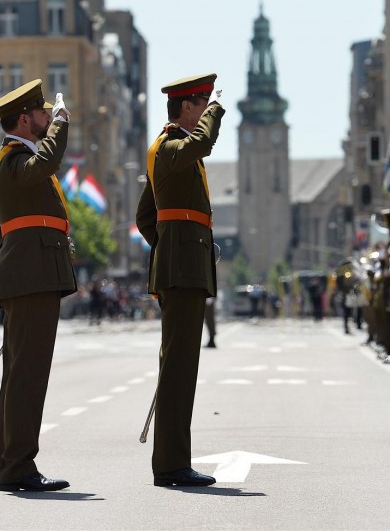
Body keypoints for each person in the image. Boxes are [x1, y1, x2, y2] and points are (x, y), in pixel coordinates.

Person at [0, 79, 75, 493]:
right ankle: (19, 467)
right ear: (25, 118)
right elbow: (45, 166)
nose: (46, 117)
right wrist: (61, 126)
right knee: (27, 376)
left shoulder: (14, 162)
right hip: (31, 276)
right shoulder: (15, 159)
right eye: (41, 112)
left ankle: (15, 464)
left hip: (31, 273)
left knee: (24, 375)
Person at [136, 73, 224, 488]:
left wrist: (175, 244)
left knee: (181, 367)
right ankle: (171, 465)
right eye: (203, 103)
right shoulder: (171, 147)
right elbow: (202, 141)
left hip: (184, 264)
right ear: (186, 107)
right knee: (178, 369)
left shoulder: (172, 154)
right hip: (183, 269)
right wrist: (177, 248)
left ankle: (173, 461)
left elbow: (145, 218)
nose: (207, 109)